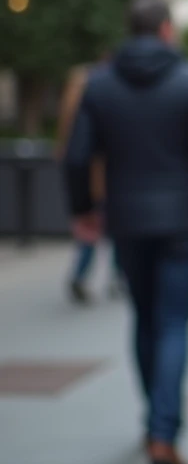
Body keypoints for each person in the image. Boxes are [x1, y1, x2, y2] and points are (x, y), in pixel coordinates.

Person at [64, 0, 188, 464]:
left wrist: (82, 208)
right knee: (174, 322)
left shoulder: (99, 85)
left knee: (144, 318)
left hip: (125, 218)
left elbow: (77, 155)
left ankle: (154, 420)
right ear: (166, 30)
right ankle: (163, 430)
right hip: (182, 219)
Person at [56, 60, 122, 303]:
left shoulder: (71, 109)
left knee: (89, 229)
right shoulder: (96, 102)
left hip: (87, 182)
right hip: (104, 178)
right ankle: (117, 276)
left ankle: (82, 275)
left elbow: (69, 154)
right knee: (112, 226)